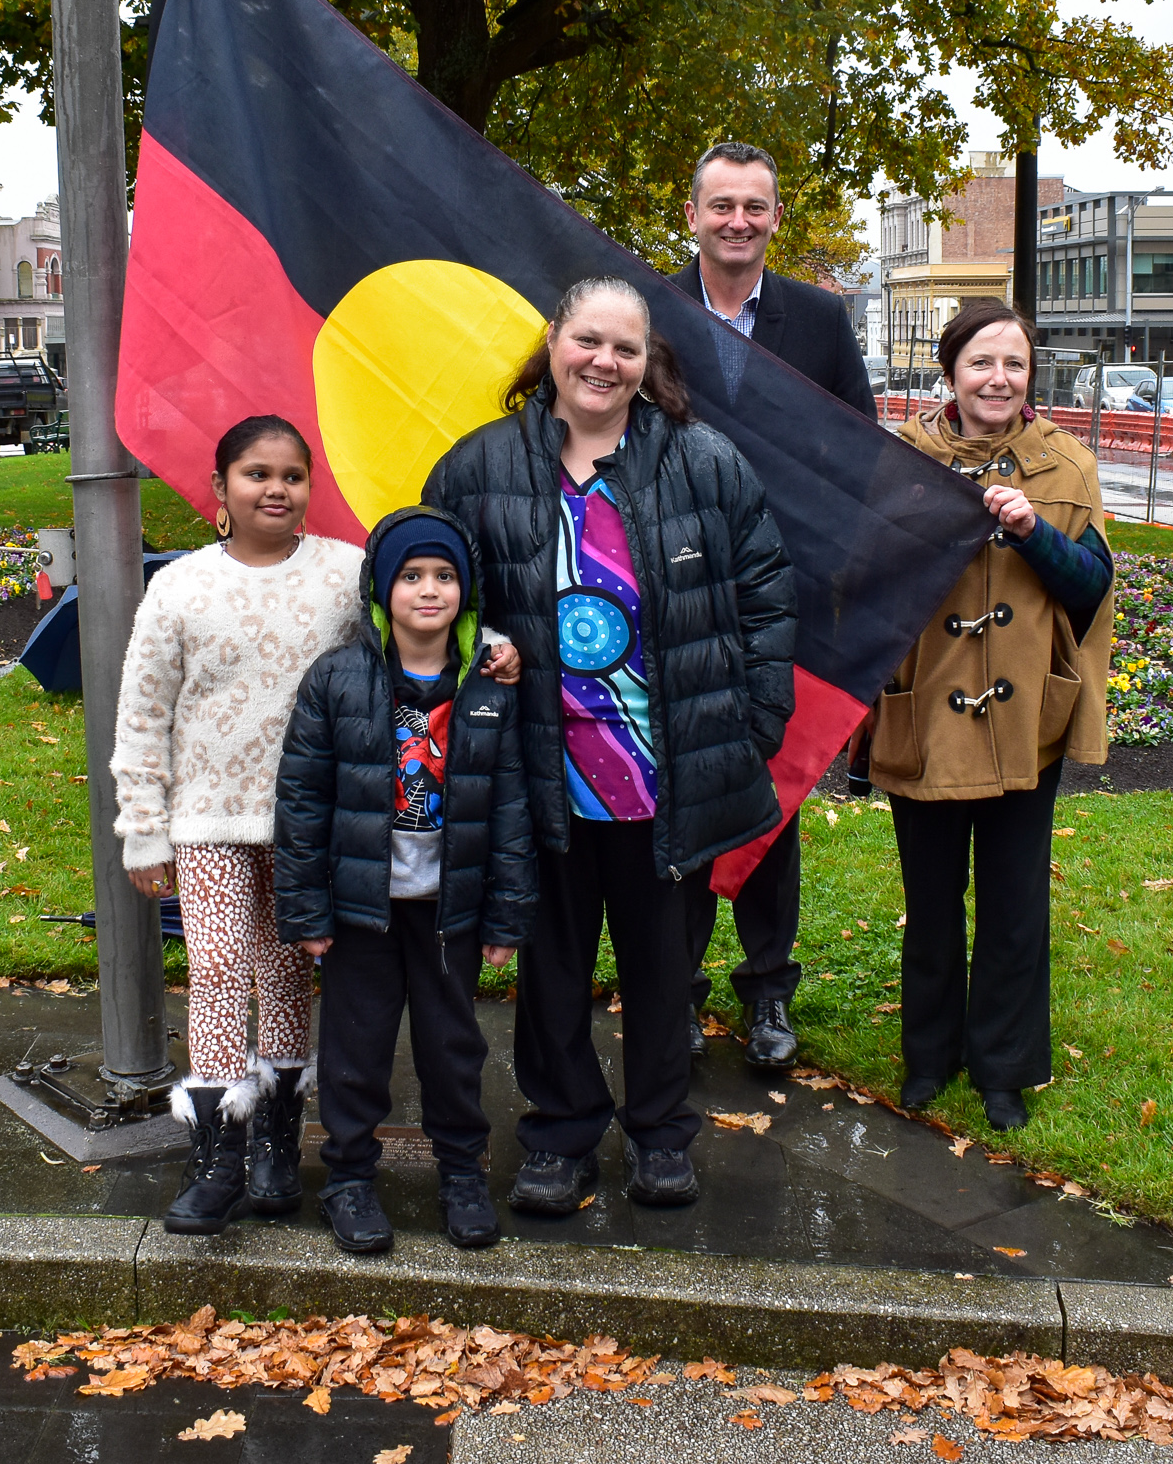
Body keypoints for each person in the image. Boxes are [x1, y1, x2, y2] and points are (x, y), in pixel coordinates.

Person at [424, 276, 796, 1215]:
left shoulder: (702, 463)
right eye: (589, 340)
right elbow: (427, 601)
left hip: (661, 776)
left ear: (647, 363)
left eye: (625, 349)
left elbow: (766, 599)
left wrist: (748, 730)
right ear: (554, 343)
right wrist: (480, 658)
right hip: (537, 772)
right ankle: (558, 1135)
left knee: (661, 969)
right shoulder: (479, 469)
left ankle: (663, 1134)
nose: (605, 362)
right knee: (551, 969)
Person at [853, 298, 1113, 1132]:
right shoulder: (900, 460)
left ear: (1030, 375)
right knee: (931, 898)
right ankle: (929, 1056)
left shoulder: (1066, 467)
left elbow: (1089, 586)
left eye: (1014, 364)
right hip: (924, 709)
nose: (997, 379)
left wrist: (1034, 531)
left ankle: (1004, 1068)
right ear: (950, 372)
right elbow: (861, 583)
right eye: (981, 363)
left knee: (1012, 900)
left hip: (1024, 718)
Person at [110, 416, 363, 1234]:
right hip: (209, 817)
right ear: (220, 489)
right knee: (219, 969)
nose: (276, 489)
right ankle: (216, 1153)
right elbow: (143, 715)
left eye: (292, 475)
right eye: (257, 474)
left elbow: (423, 623)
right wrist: (144, 829)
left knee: (288, 972)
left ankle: (278, 1144)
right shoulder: (179, 588)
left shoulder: (344, 576)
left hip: (305, 821)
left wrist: (493, 645)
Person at [274, 507, 534, 1256]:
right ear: (381, 590)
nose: (429, 590)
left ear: (466, 589)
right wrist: (307, 909)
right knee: (356, 1047)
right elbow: (301, 802)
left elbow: (510, 805)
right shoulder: (338, 680)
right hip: (363, 910)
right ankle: (349, 1179)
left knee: (454, 1049)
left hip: (450, 910)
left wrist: (506, 917)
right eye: (412, 576)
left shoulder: (488, 685)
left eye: (445, 576)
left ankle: (461, 1175)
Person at [668, 141, 874, 1070]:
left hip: (780, 601)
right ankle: (673, 990)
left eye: (755, 206)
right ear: (694, 214)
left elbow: (859, 454)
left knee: (770, 797)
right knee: (670, 796)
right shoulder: (650, 312)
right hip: (667, 597)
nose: (738, 221)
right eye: (722, 206)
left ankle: (769, 994)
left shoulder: (822, 321)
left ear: (775, 218)